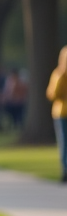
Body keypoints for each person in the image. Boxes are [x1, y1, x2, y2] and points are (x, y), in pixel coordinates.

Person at [47, 45, 67, 183]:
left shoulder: (58, 74)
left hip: (61, 113)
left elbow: (52, 93)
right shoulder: (59, 74)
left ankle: (65, 169)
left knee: (64, 143)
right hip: (61, 113)